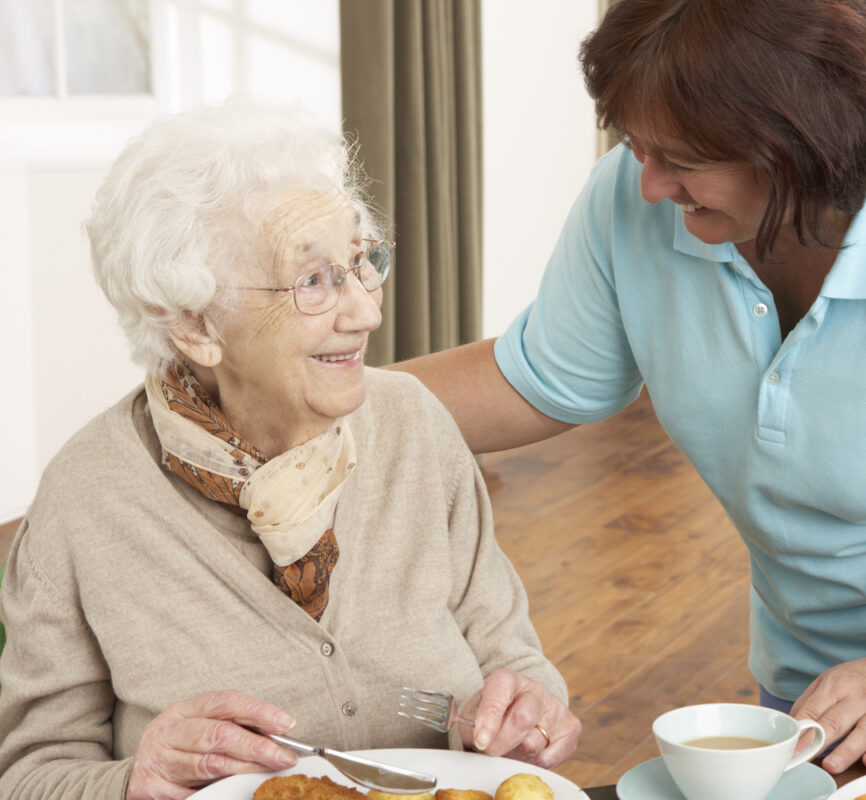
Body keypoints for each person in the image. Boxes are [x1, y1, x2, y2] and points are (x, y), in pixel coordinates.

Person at [397, 0, 866, 776]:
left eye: (682, 159)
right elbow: (536, 379)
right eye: (635, 145)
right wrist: (335, 398)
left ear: (797, 143)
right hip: (816, 659)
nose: (649, 184)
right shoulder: (635, 198)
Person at [0, 100, 580, 800]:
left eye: (360, 262)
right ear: (194, 324)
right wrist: (132, 782)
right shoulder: (85, 500)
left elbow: (510, 658)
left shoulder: (415, 426)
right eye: (312, 281)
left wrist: (530, 711)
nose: (366, 310)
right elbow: (30, 774)